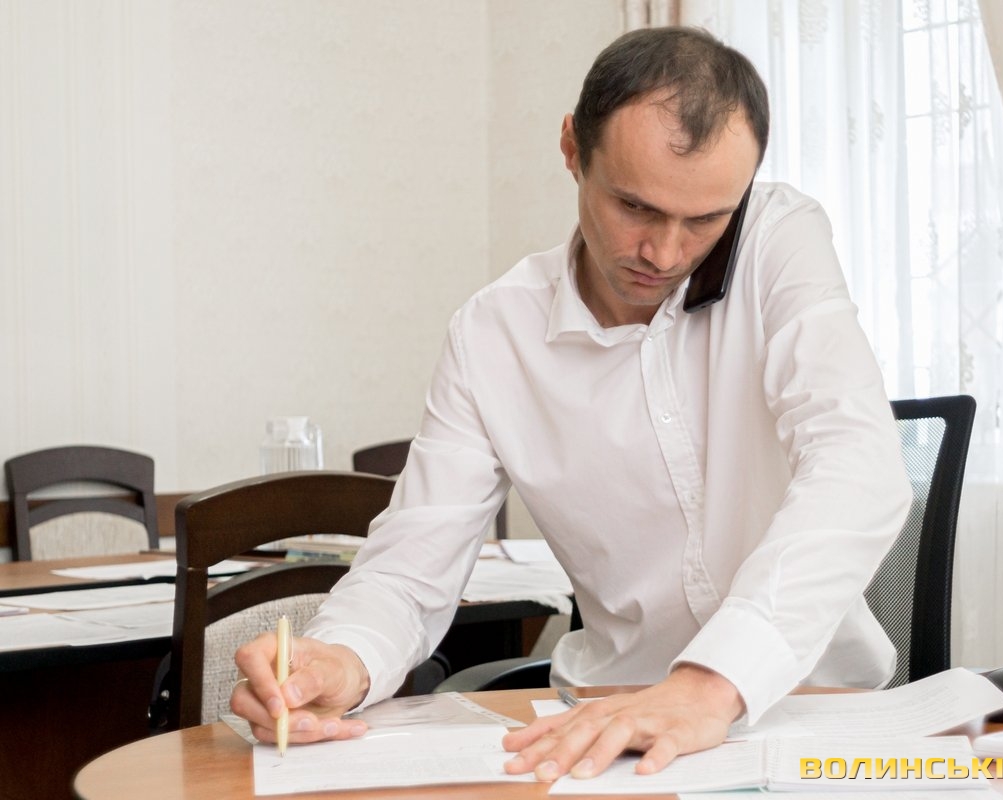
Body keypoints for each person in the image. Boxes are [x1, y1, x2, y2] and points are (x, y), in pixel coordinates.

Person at [232, 26, 911, 780]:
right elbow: (411, 567)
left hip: (811, 709)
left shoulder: (778, 242)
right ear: (571, 149)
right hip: (604, 725)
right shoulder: (494, 335)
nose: (665, 253)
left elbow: (859, 464)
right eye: (635, 206)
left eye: (705, 220)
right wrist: (341, 658)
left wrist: (711, 685)